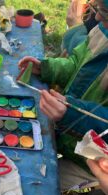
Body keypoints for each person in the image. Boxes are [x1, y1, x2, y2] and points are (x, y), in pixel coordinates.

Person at [18, 0, 108, 172]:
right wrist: (48, 68)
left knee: (33, 175)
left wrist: (72, 113)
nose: (96, 17)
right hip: (66, 137)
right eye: (99, 8)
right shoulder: (103, 29)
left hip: (92, 161)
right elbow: (77, 64)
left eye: (105, 12)